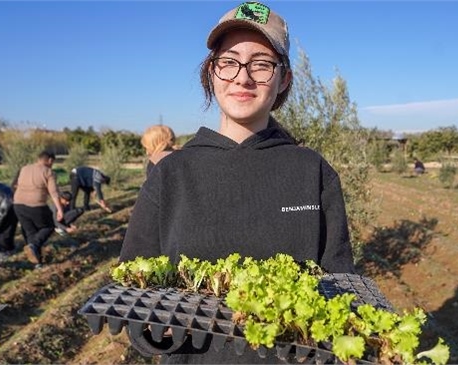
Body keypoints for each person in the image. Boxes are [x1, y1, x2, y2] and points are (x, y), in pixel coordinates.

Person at [119, 2, 354, 363]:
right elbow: (135, 284)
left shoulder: (313, 171)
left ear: (284, 78)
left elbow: (339, 284)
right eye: (229, 62)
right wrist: (149, 330)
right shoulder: (171, 174)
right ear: (212, 72)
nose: (242, 77)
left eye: (261, 64)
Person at [13, 150, 64, 268]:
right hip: (36, 204)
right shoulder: (48, 172)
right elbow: (53, 192)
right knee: (49, 226)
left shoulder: (24, 168)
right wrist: (60, 209)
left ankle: (37, 262)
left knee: (31, 232)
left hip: (18, 204)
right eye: (52, 162)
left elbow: (15, 185)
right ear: (50, 160)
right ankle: (34, 246)